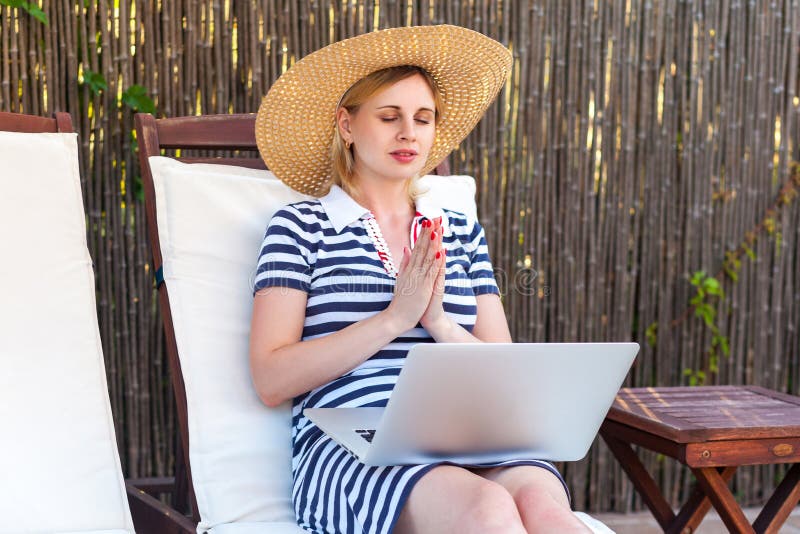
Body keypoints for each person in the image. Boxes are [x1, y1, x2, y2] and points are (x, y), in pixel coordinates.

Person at [249, 25, 589, 534]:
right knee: (486, 509)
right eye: (389, 117)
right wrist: (393, 320)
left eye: (422, 118)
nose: (408, 132)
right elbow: (272, 380)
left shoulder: (460, 231)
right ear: (346, 124)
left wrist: (441, 323)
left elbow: (505, 371)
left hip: (471, 431)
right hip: (357, 441)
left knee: (546, 511)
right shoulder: (299, 228)